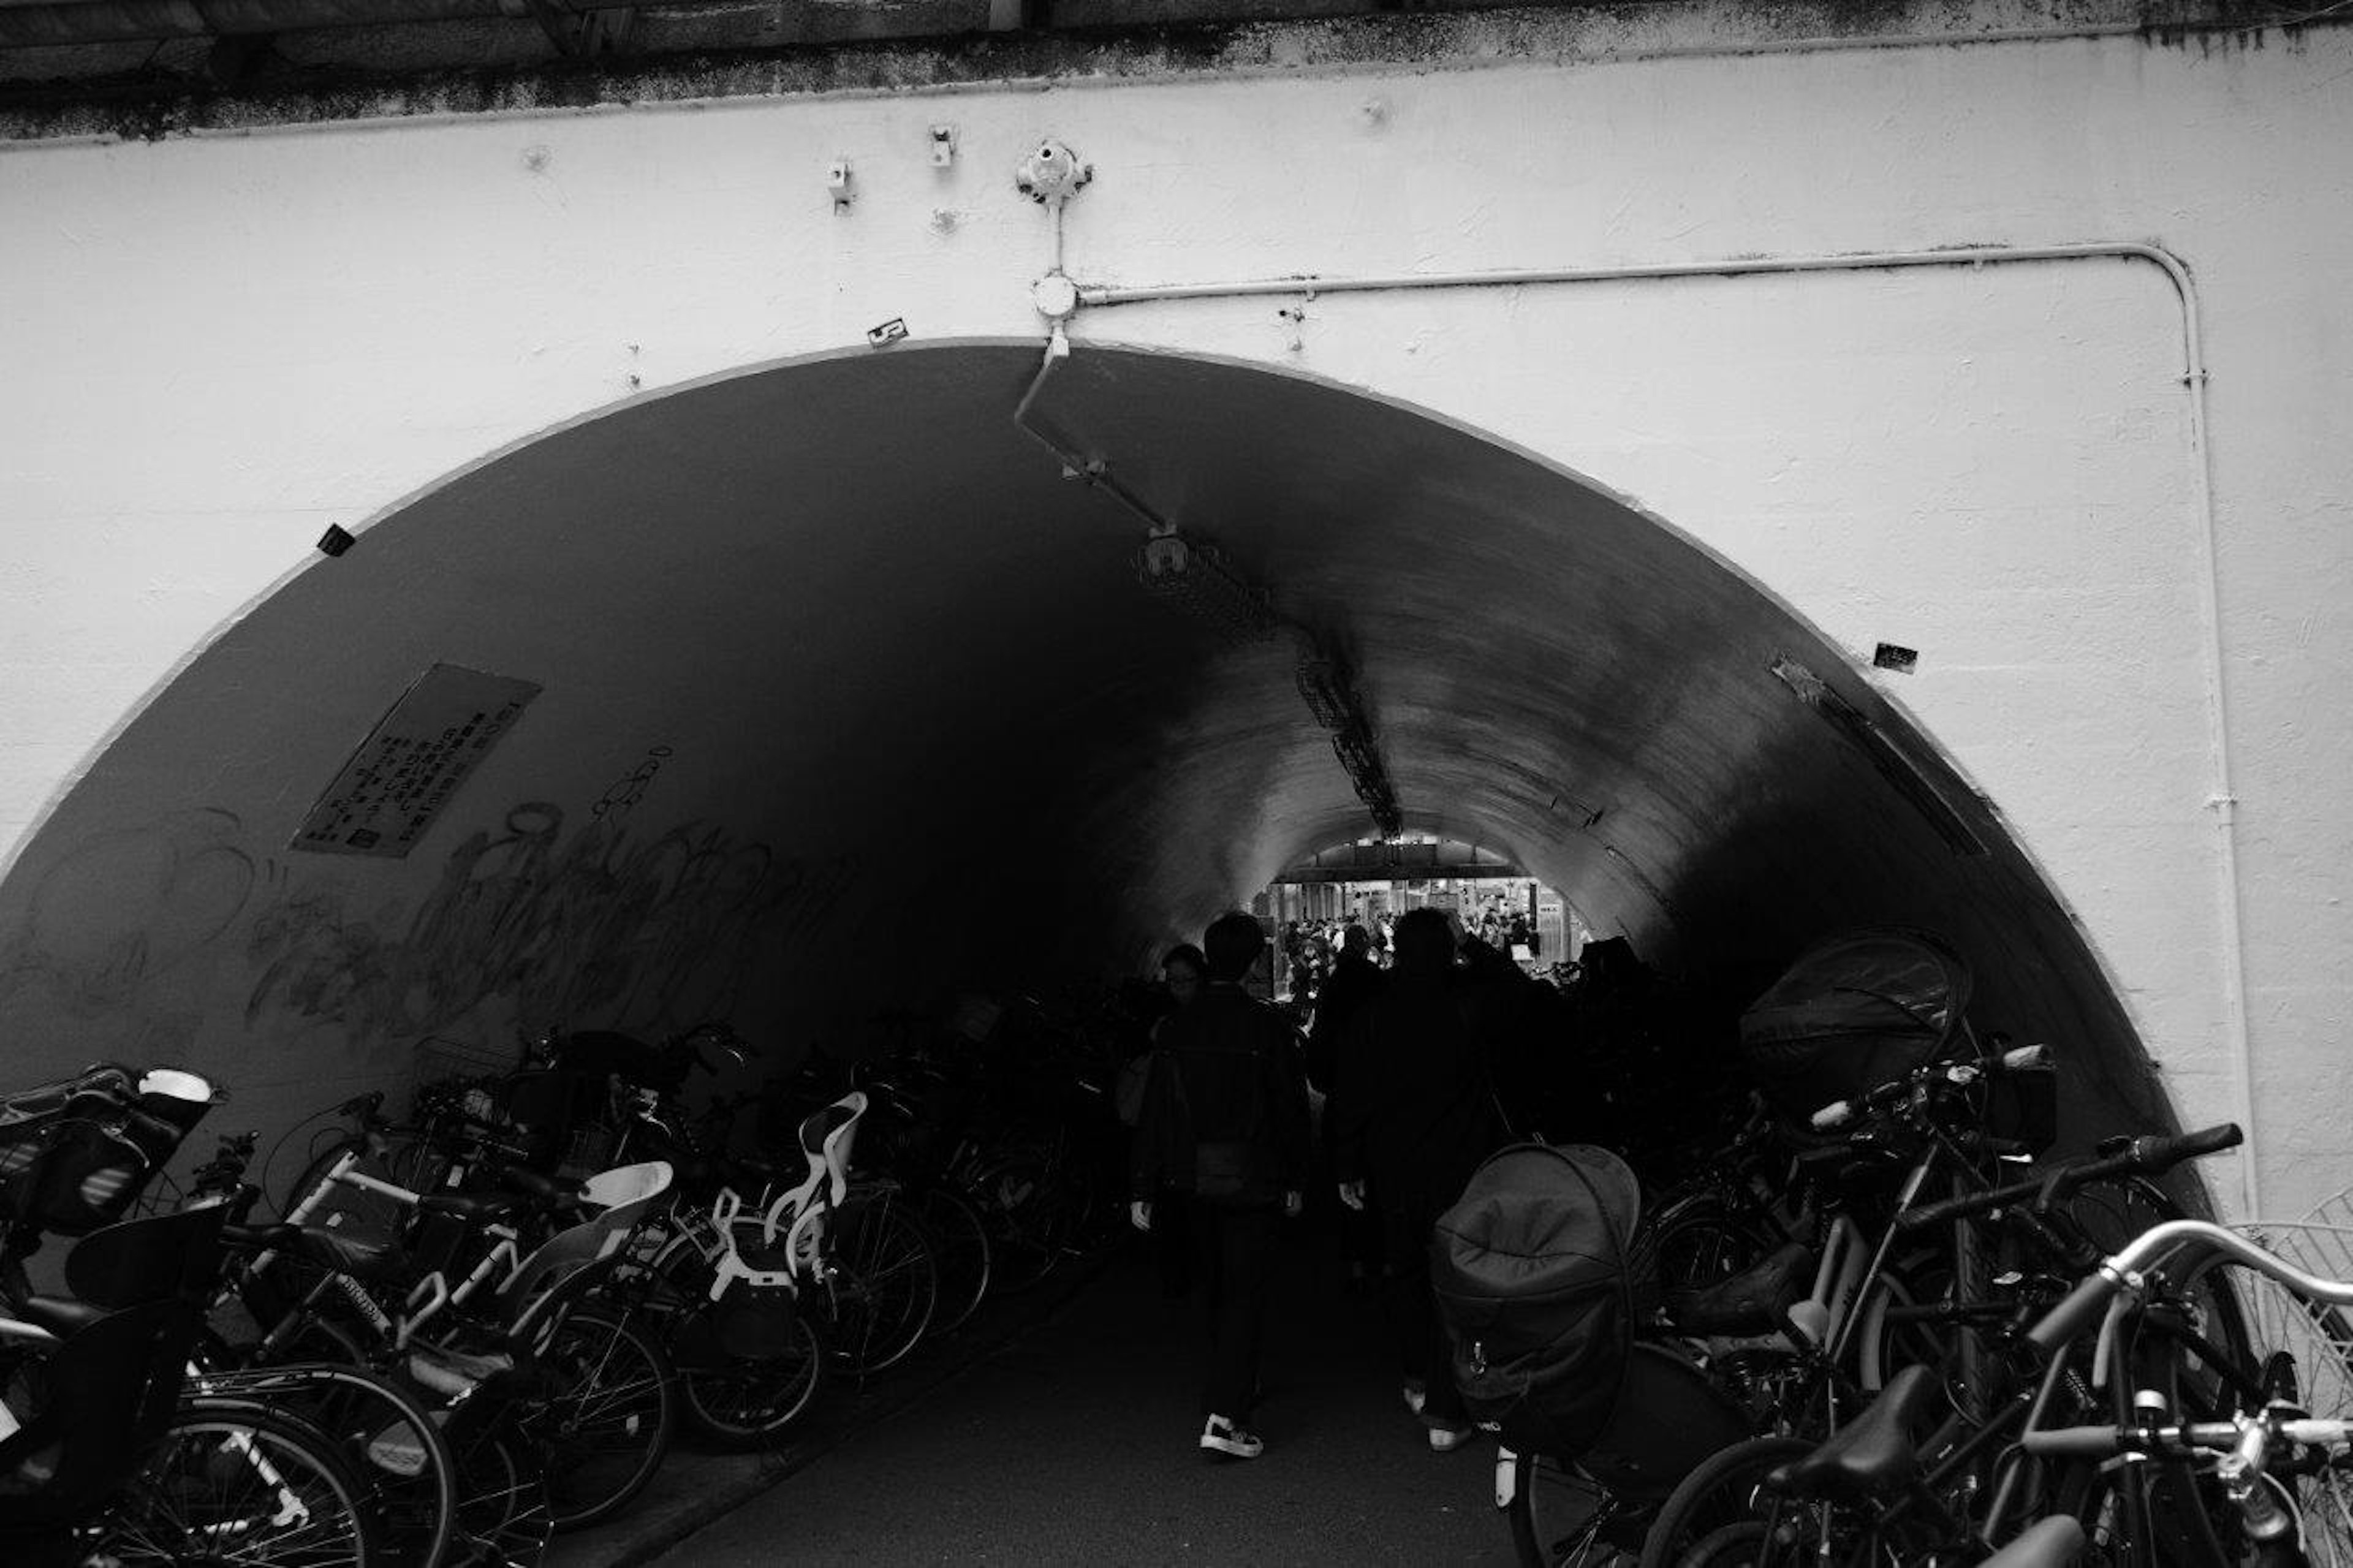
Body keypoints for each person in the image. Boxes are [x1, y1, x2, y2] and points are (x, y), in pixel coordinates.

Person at [1327, 907, 1514, 1453]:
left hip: (1394, 1167)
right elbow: (1521, 998)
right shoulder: (1471, 1006)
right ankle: (1446, 1408)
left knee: (1404, 1272)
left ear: (1398, 950)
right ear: (1448, 949)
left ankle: (1415, 1376)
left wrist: (1347, 1165)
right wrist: (1474, 946)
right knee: (1456, 1281)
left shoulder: (1374, 1014)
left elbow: (1352, 1097)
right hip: (1464, 1168)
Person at [1131, 912, 1313, 1461]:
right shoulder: (1269, 1029)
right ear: (1257, 961)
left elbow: (1155, 1111)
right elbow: (1292, 1112)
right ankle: (1226, 1412)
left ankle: (1229, 1380)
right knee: (1245, 1293)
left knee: (1213, 1287)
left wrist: (1141, 1184)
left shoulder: (1177, 1028)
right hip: (1253, 1179)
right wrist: (1297, 1178)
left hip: (1188, 1181)